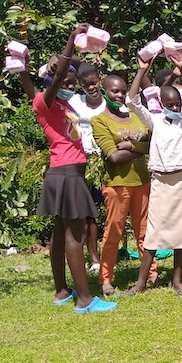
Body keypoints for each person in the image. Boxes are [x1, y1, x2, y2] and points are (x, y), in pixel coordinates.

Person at [32, 25, 117, 313]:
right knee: (76, 236)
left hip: (66, 171)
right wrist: (71, 40)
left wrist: (63, 57)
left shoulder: (60, 105)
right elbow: (58, 76)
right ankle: (84, 299)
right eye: (65, 82)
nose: (70, 86)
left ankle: (61, 290)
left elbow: (71, 69)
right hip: (67, 173)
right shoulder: (45, 102)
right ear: (53, 83)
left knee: (60, 231)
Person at [124, 54, 182, 297]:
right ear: (161, 104)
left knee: (181, 232)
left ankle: (177, 280)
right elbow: (131, 101)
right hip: (160, 181)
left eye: (178, 104)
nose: (175, 108)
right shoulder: (155, 121)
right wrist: (141, 71)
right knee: (153, 232)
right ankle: (141, 282)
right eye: (170, 105)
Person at [91, 72, 154, 296]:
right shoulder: (99, 121)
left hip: (142, 181)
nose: (119, 95)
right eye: (114, 91)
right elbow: (114, 157)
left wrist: (130, 146)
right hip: (117, 185)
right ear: (104, 91)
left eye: (123, 91)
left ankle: (151, 272)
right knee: (113, 232)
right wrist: (141, 148)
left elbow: (153, 144)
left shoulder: (136, 116)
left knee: (145, 231)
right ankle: (106, 277)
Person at [68, 63, 106, 273]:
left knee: (104, 208)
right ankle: (92, 256)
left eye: (94, 83)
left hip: (106, 159)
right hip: (82, 159)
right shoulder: (75, 101)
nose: (91, 88)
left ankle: (107, 252)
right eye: (86, 85)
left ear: (100, 80)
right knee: (87, 211)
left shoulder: (109, 102)